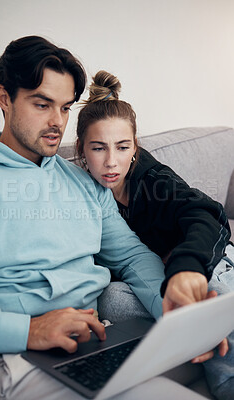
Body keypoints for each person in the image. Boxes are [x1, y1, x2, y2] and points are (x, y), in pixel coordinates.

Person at [0, 36, 209, 400]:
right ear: (4, 98)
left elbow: (130, 255)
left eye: (65, 108)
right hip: (9, 357)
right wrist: (28, 330)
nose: (56, 123)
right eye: (42, 104)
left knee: (211, 345)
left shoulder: (83, 183)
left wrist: (172, 310)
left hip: (93, 344)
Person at [76, 70, 234, 400]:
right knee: (113, 300)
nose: (110, 162)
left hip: (203, 260)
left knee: (212, 295)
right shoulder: (84, 194)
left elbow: (206, 216)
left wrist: (186, 266)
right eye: (98, 148)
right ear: (81, 150)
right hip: (150, 281)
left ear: (135, 148)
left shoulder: (154, 181)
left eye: (121, 147)